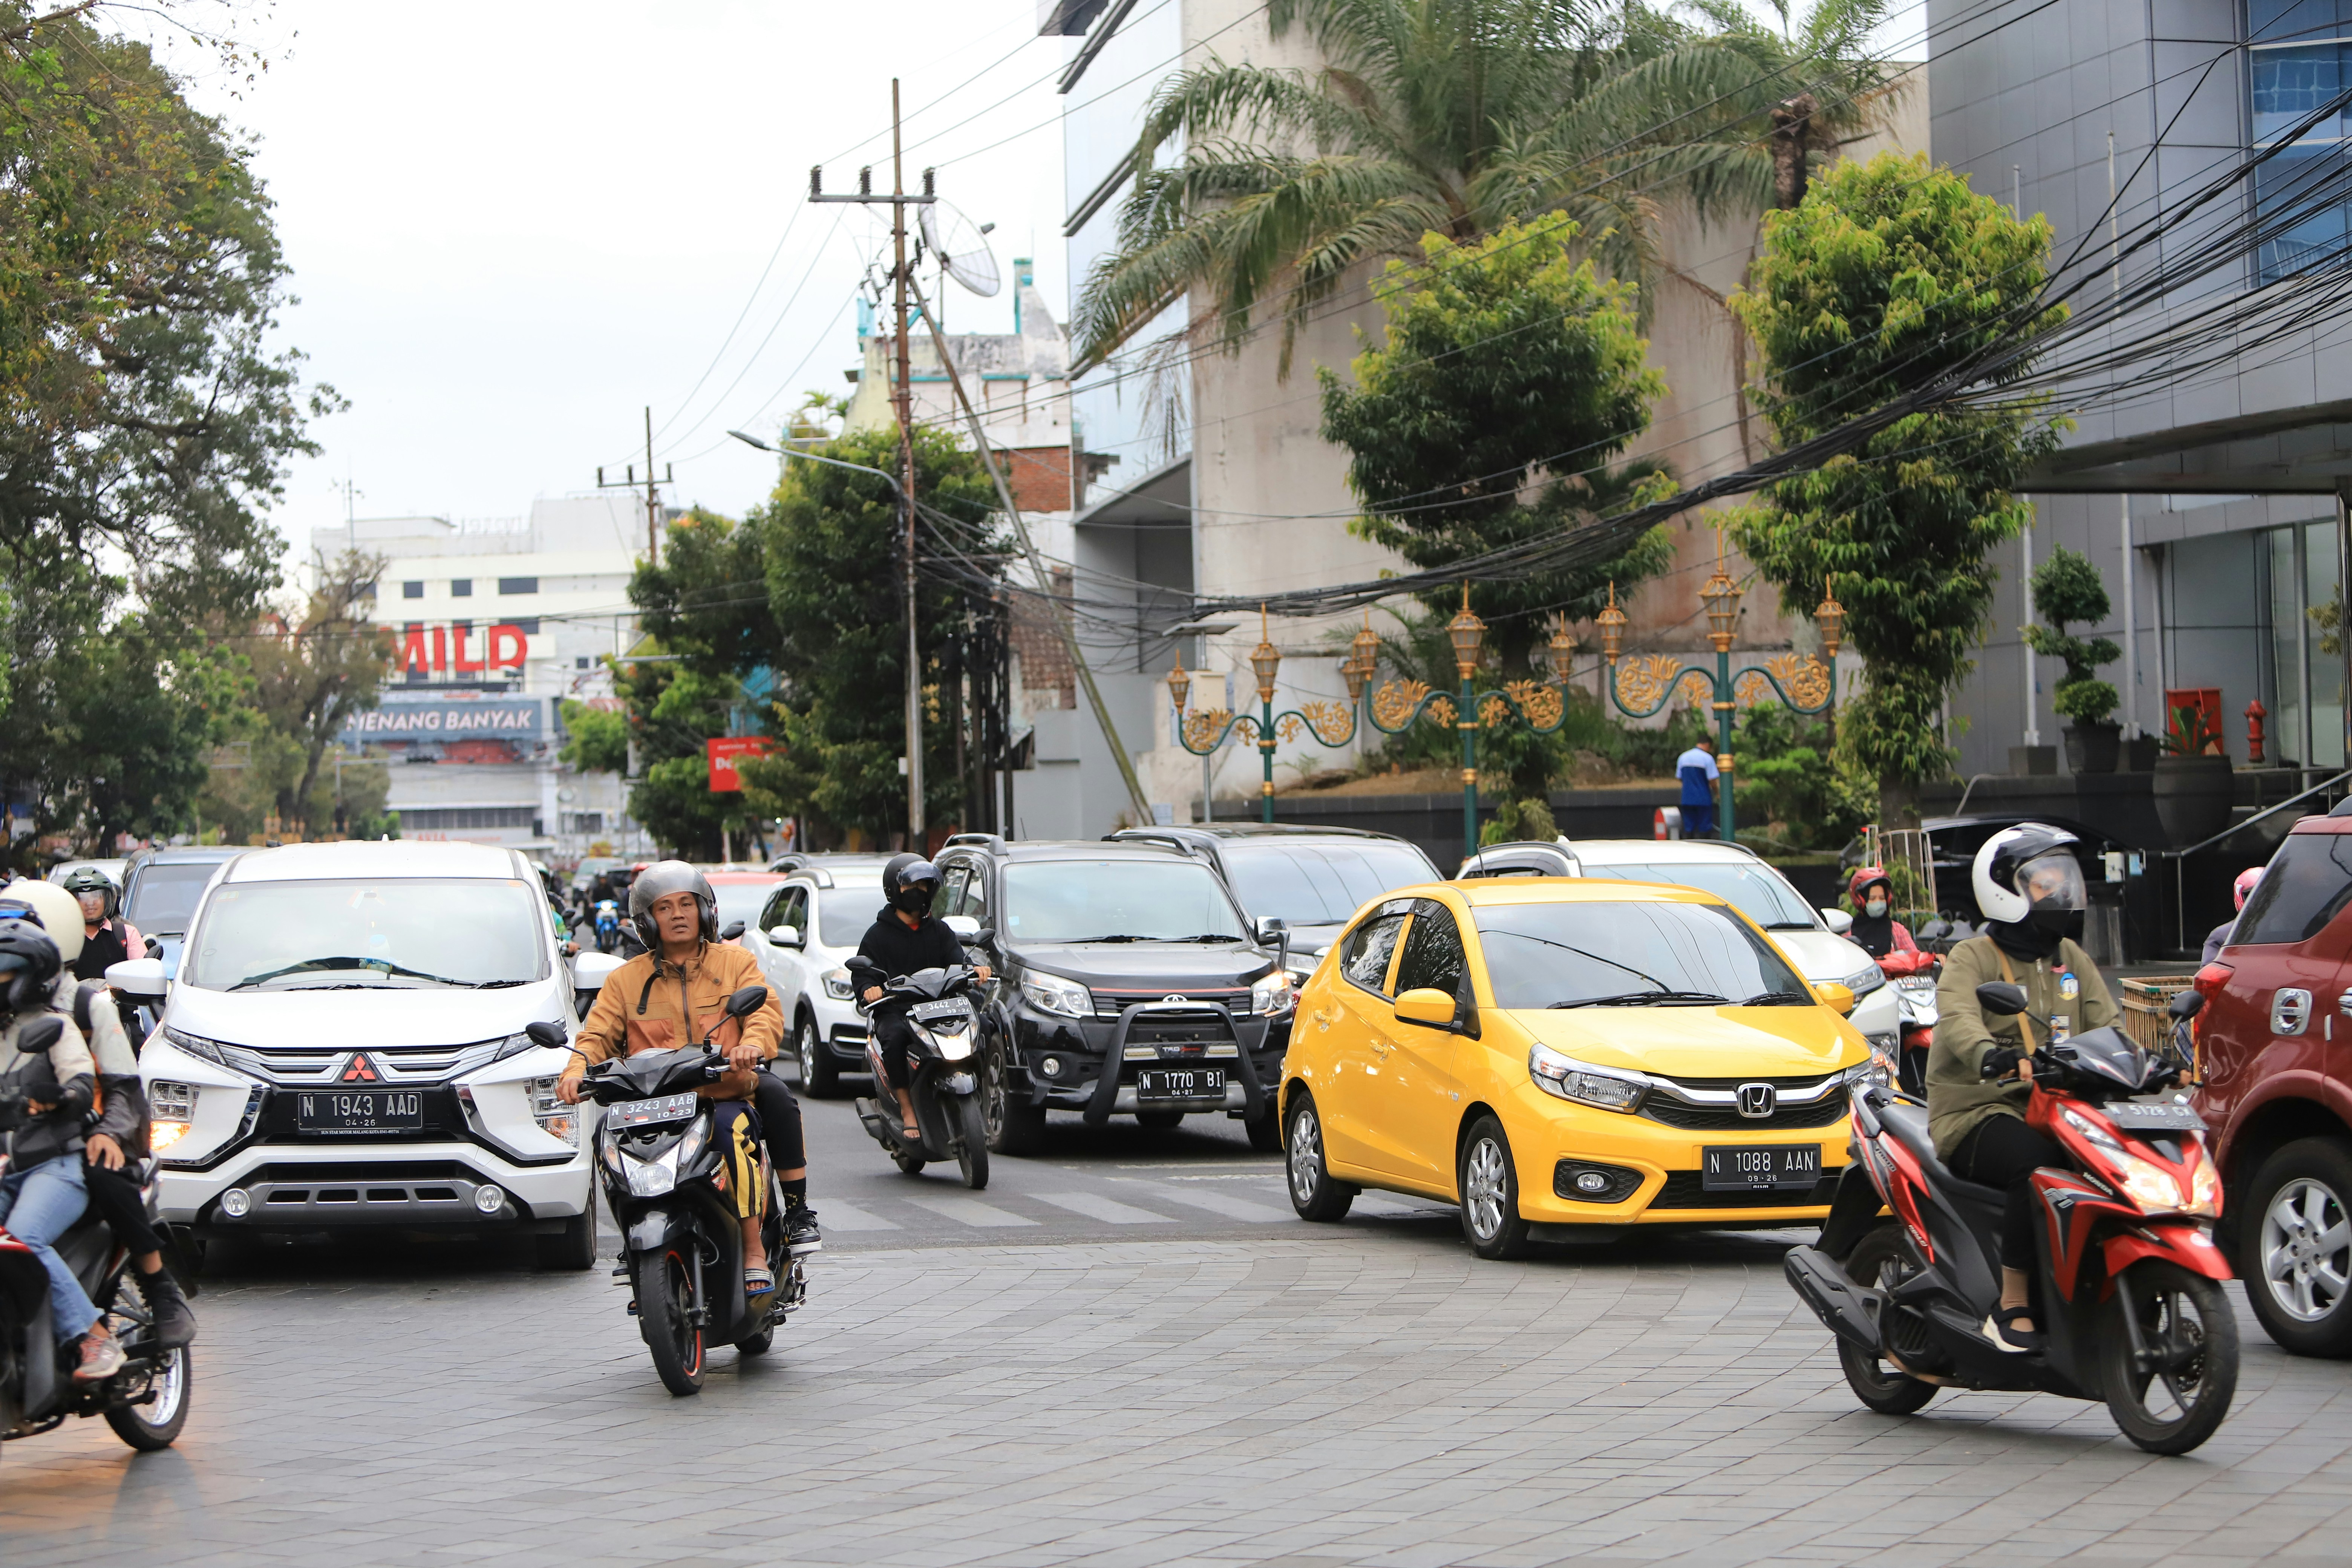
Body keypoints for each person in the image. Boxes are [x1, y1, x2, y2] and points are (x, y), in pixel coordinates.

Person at [554, 861, 819, 1288]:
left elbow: (764, 1012)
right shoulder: (624, 980)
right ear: (647, 920)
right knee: (608, 1134)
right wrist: (575, 1071)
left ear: (704, 911)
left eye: (685, 904)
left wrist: (752, 1044)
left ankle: (759, 1244)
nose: (677, 914)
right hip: (655, 1105)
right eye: (664, 907)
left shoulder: (735, 962)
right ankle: (634, 1235)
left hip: (723, 1092)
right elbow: (596, 1035)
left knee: (736, 1126)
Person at [1927, 823, 2116, 1352]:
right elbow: (1960, 1018)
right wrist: (1992, 1055)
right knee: (2035, 1165)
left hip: (2059, 1106)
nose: (2058, 891)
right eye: (2043, 881)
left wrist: (2152, 1063)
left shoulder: (2069, 959)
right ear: (2004, 889)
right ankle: (2011, 1302)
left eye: (2063, 879)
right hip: (1977, 1108)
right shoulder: (1973, 957)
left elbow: (2109, 1026)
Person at [2, 880, 194, 1344]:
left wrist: (107, 1131)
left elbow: (125, 1087)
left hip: (96, 1129)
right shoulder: (10, 1012)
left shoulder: (88, 1005)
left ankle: (159, 1287)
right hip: (27, 1140)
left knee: (104, 1170)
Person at [0, 914, 127, 1381]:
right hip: (5, 1168)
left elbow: (80, 1081)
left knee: (22, 1238)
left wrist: (59, 1098)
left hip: (54, 1166)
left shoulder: (55, 1024)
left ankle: (94, 1337)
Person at [854, 854, 992, 1143]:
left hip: (941, 1008)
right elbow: (864, 974)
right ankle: (907, 1109)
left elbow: (959, 962)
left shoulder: (940, 931)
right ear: (895, 890)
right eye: (912, 886)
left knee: (985, 1025)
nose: (920, 892)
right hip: (898, 1012)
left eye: (925, 886)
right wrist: (870, 988)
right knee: (892, 1038)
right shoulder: (877, 935)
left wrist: (975, 970)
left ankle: (983, 1092)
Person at [61, 865, 145, 1040]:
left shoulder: (126, 933)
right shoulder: (61, 936)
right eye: (81, 897)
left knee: (142, 1050)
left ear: (108, 899)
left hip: (121, 1018)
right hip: (72, 1021)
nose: (90, 903)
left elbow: (144, 974)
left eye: (96, 896)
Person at [1846, 866, 1932, 976]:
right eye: (1872, 899)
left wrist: (1932, 958)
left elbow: (1915, 958)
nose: (1879, 903)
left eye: (1882, 898)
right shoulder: (1849, 935)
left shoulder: (1897, 931)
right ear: (1861, 901)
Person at [2202, 867, 2264, 964]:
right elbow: (2209, 975)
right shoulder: (2222, 936)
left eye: (2266, 897)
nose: (2261, 903)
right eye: (2254, 897)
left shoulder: (2294, 931)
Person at [1675, 735, 1719, 839]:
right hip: (1703, 799)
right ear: (1708, 745)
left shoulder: (1683, 757)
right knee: (1705, 828)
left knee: (1688, 827)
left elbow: (1680, 777)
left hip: (1687, 798)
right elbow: (1712, 780)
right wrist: (1717, 793)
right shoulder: (1707, 758)